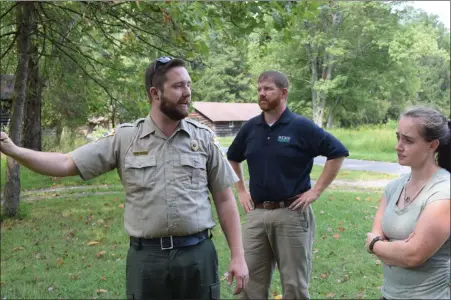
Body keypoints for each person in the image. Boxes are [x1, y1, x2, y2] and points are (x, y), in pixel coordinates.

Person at [0, 56, 249, 300]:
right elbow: (66, 162)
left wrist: (238, 255)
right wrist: (14, 150)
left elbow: (225, 199)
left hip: (197, 256)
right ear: (155, 93)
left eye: (188, 84)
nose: (187, 92)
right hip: (147, 260)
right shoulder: (125, 138)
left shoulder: (203, 138)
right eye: (178, 86)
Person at [227, 70, 349, 299]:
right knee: (248, 284)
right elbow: (232, 157)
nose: (262, 94)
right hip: (256, 214)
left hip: (291, 214)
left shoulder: (301, 127)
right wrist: (241, 190)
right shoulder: (251, 128)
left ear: (283, 93)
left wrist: (316, 191)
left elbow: (338, 152)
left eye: (268, 89)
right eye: (259, 89)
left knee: (294, 285)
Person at [366, 106, 450, 299]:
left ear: (432, 145)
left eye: (408, 140)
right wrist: (395, 247)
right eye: (398, 137)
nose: (398, 146)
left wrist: (376, 245)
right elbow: (375, 234)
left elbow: (413, 255)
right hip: (388, 294)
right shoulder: (394, 187)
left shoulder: (444, 191)